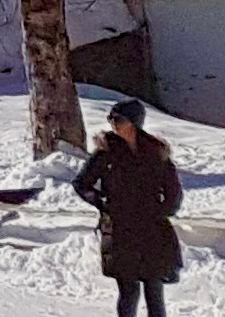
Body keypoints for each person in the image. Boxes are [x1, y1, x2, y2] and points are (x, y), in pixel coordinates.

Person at [75, 98, 182, 317]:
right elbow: (81, 183)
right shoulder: (105, 152)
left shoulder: (155, 150)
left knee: (154, 290)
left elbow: (172, 187)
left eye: (118, 119)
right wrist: (102, 203)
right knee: (128, 292)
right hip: (120, 229)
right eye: (110, 119)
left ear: (134, 122)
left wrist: (166, 209)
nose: (113, 124)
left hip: (151, 229)